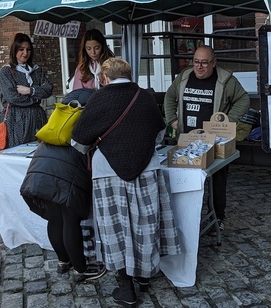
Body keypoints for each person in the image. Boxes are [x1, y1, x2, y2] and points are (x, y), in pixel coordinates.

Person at [71, 58, 181, 307]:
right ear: (129, 75)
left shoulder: (99, 98)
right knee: (144, 223)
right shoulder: (145, 97)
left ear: (105, 78)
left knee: (116, 229)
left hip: (107, 171)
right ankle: (143, 277)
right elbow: (160, 134)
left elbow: (78, 141)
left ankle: (125, 287)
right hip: (146, 169)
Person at [163, 45, 249, 233]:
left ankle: (218, 217)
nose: (199, 67)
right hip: (186, 140)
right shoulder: (184, 78)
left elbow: (243, 99)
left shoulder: (225, 80)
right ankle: (187, 218)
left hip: (215, 141)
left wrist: (228, 121)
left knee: (217, 180)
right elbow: (169, 97)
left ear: (214, 63)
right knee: (185, 180)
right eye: (196, 62)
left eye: (204, 62)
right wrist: (173, 120)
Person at [19, 139, 106, 282]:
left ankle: (63, 262)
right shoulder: (83, 123)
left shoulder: (57, 126)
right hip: (65, 174)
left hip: (42, 170)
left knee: (55, 218)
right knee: (70, 220)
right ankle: (81, 270)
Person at [0, 33, 53, 147]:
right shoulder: (6, 72)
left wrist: (30, 91)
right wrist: (35, 99)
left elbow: (48, 89)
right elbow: (12, 98)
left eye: (28, 50)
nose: (25, 53)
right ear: (14, 50)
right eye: (21, 49)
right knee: (19, 151)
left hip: (37, 117)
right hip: (17, 118)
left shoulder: (35, 70)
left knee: (40, 150)